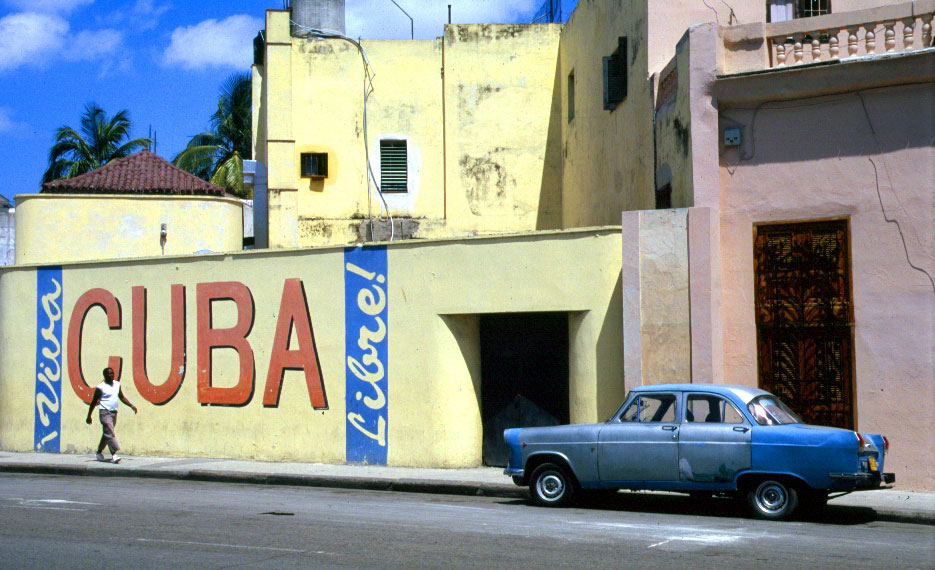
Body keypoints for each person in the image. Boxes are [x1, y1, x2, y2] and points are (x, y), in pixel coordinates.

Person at [86, 367, 138, 463]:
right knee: (110, 432)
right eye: (109, 374)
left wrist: (131, 405)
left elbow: (122, 397)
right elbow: (93, 402)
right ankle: (114, 455)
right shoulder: (100, 387)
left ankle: (99, 452)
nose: (111, 376)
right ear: (104, 375)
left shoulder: (117, 385)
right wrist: (89, 415)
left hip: (114, 412)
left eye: (112, 374)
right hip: (104, 412)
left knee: (107, 433)